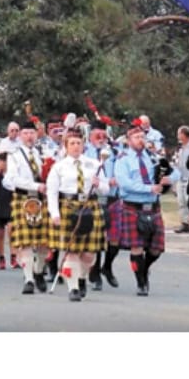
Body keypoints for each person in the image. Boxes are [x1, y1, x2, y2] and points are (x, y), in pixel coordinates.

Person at [113, 122, 179, 296]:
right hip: (132, 206)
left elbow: (176, 172)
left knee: (156, 249)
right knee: (137, 247)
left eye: (142, 136)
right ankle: (141, 283)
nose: (140, 140)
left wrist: (169, 179)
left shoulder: (153, 157)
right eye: (136, 137)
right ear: (129, 140)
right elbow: (124, 184)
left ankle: (144, 268)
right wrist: (149, 188)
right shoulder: (122, 159)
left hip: (153, 207)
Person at [46, 129, 109, 301]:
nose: (75, 146)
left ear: (83, 146)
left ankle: (81, 277)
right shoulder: (58, 167)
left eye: (78, 143)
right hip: (68, 207)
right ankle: (73, 288)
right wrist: (54, 213)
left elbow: (106, 189)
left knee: (89, 254)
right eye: (72, 143)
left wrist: (99, 184)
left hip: (90, 207)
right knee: (72, 251)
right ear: (66, 147)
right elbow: (52, 192)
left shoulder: (94, 165)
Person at [3, 119, 51, 294]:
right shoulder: (14, 155)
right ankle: (29, 278)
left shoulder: (43, 154)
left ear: (37, 134)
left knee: (45, 242)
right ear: (20, 136)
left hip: (43, 199)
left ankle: (38, 271)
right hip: (23, 199)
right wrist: (35, 186)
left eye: (32, 133)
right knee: (25, 243)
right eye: (25, 133)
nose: (29, 136)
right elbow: (11, 179)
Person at [82, 119, 119, 291]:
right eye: (98, 135)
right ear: (90, 135)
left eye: (104, 135)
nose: (101, 138)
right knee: (97, 238)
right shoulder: (83, 151)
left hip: (112, 198)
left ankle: (107, 266)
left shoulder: (115, 152)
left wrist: (116, 179)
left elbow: (121, 170)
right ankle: (95, 273)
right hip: (93, 198)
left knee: (115, 239)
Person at [173, 126, 189, 233]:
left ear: (185, 135)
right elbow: (176, 162)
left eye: (179, 134)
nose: (178, 136)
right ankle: (184, 223)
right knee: (181, 201)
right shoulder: (180, 148)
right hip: (180, 177)